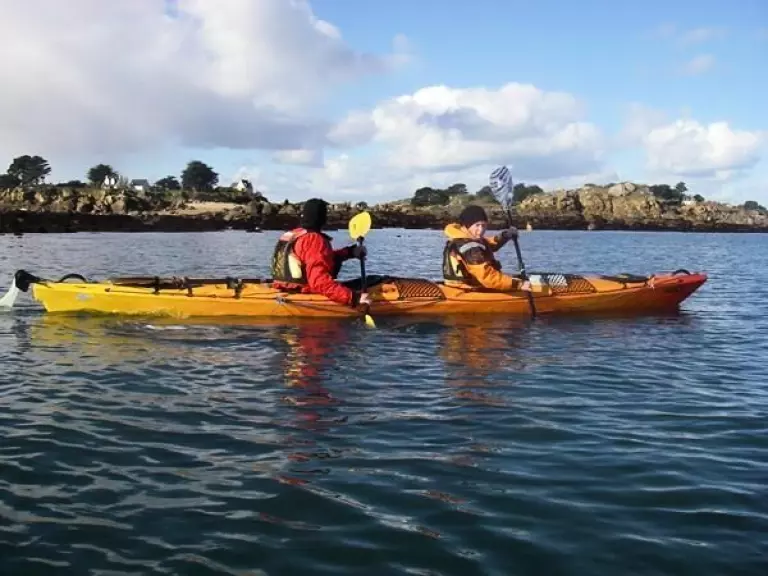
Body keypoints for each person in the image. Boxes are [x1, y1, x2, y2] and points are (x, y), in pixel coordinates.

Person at [271, 198, 371, 308]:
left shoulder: (293, 235)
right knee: (372, 281)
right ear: (322, 219)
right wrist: (354, 298)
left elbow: (317, 258)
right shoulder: (314, 240)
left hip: (283, 287)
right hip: (303, 293)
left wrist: (350, 252)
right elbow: (319, 282)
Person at [442, 204, 531, 292]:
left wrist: (505, 235)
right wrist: (518, 284)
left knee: (514, 278)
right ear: (467, 225)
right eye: (477, 225)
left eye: (483, 225)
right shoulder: (469, 247)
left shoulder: (464, 238)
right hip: (467, 290)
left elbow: (489, 244)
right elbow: (487, 277)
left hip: (459, 287)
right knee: (517, 282)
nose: (481, 230)